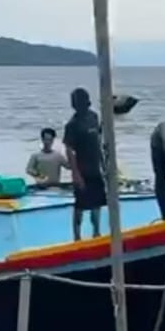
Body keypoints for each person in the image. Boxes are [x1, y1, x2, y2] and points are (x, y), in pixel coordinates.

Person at [63, 88, 106, 241]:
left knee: (97, 203)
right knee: (80, 205)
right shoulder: (72, 125)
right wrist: (76, 174)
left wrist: (104, 164)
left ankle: (96, 232)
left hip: (95, 168)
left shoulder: (94, 117)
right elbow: (69, 150)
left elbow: (98, 142)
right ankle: (77, 236)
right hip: (82, 169)